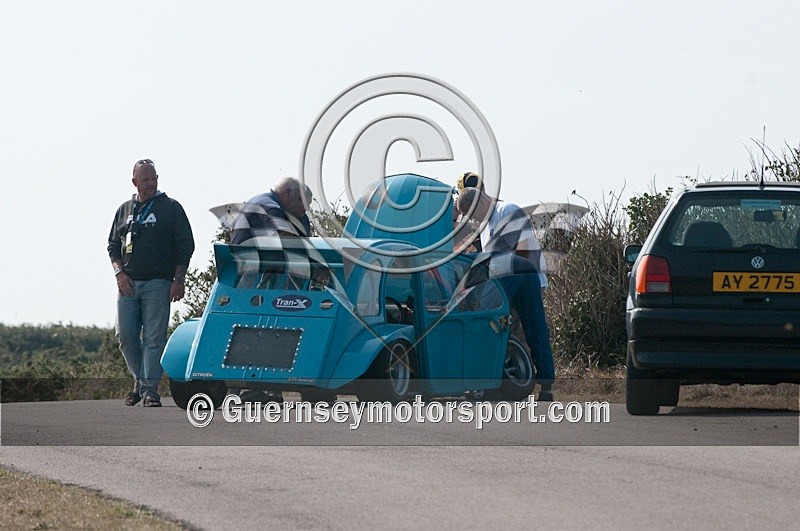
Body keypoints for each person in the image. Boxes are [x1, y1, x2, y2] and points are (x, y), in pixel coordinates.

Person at [456, 178, 555, 401]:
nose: (473, 219)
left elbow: (502, 253)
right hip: (507, 281)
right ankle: (503, 383)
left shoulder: (507, 210)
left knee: (534, 331)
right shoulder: (485, 225)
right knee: (507, 335)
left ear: (479, 203)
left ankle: (546, 384)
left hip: (526, 279)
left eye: (472, 214)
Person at [107, 159, 195, 407]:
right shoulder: (124, 209)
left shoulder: (171, 207)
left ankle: (149, 392)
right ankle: (141, 382)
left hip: (158, 282)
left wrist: (179, 279)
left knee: (154, 338)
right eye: (145, 179)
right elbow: (113, 245)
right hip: (128, 282)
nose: (150, 183)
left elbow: (185, 244)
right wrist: (119, 274)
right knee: (125, 335)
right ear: (134, 181)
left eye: (153, 178)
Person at [229, 177, 314, 403]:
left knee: (271, 329)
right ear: (287, 193)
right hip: (254, 278)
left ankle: (262, 387)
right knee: (256, 329)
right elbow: (287, 239)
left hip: (268, 278)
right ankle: (248, 388)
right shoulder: (268, 205)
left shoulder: (287, 211)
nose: (303, 211)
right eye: (301, 204)